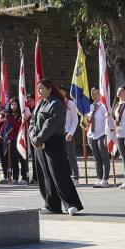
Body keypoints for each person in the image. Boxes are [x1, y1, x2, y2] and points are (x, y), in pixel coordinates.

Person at [29, 80, 84, 215]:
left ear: (50, 89)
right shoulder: (40, 104)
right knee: (45, 175)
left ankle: (72, 203)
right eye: (38, 89)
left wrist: (37, 138)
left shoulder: (57, 104)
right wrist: (33, 137)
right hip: (39, 144)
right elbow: (32, 122)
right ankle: (51, 205)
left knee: (59, 173)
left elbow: (50, 125)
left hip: (54, 142)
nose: (39, 91)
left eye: (41, 88)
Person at [87, 88, 112, 188]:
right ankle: (99, 178)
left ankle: (105, 179)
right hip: (92, 134)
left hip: (102, 134)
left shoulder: (103, 106)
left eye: (96, 94)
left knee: (104, 157)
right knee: (96, 158)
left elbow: (107, 120)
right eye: (92, 94)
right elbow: (87, 120)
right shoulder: (90, 106)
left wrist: (107, 135)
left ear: (100, 94)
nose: (94, 95)